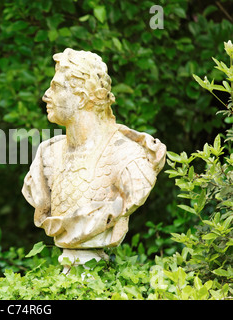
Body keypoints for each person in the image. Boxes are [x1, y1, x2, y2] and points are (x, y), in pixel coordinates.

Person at [22, 48, 166, 267]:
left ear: (81, 98)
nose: (45, 96)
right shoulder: (46, 155)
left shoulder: (127, 156)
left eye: (56, 88)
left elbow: (133, 194)